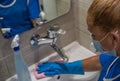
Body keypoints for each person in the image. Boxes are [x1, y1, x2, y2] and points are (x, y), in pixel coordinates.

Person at [36, 0, 120, 81]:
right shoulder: (115, 56)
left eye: (94, 35)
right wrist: (66, 68)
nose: (93, 39)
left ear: (114, 38)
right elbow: (102, 61)